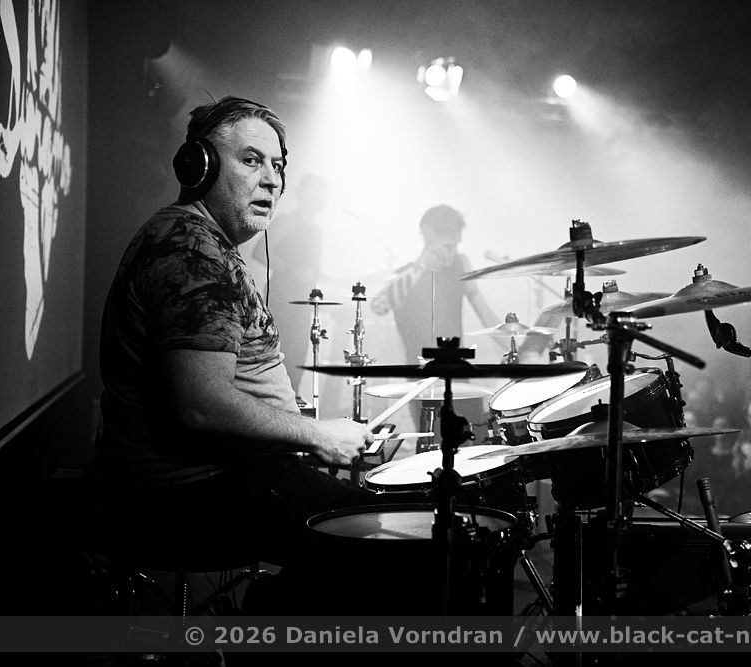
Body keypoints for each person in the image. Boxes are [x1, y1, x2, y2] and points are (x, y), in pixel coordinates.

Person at [91, 96, 397, 615]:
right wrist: (317, 435)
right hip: (186, 495)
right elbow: (200, 406)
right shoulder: (191, 253)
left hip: (219, 479)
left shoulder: (199, 242)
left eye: (278, 165)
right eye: (252, 160)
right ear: (199, 166)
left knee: (371, 530)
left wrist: (313, 437)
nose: (273, 180)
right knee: (386, 537)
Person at [369, 205, 500, 442]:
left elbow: (484, 311)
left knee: (478, 440)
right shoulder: (407, 275)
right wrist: (422, 266)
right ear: (428, 235)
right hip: (422, 380)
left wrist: (514, 343)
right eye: (448, 245)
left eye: (456, 245)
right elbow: (379, 306)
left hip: (458, 375)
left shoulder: (461, 264)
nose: (452, 252)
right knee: (434, 444)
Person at [251, 172, 333, 398]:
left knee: (297, 362)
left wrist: (336, 282)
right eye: (317, 193)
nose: (321, 198)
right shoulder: (287, 221)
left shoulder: (316, 230)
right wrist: (292, 270)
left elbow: (312, 270)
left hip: (302, 305)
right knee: (278, 360)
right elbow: (260, 252)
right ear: (304, 194)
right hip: (282, 301)